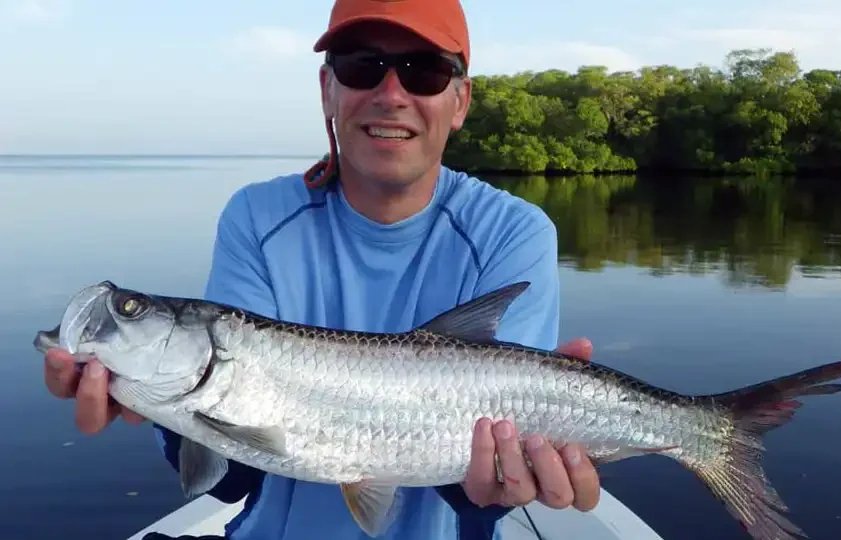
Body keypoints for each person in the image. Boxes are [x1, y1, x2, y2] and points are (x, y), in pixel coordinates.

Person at [41, 0, 603, 538]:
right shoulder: (256, 218)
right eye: (363, 67)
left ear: (460, 102)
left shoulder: (514, 232)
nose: (391, 94)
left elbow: (482, 481)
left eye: (424, 72)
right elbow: (233, 477)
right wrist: (166, 413)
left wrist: (498, 483)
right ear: (327, 90)